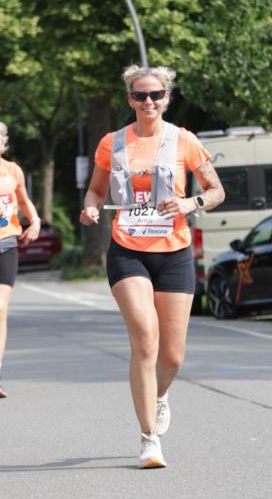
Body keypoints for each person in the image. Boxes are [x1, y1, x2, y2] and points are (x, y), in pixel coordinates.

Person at [80, 65, 225, 468]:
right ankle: (149, 439)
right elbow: (95, 191)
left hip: (174, 251)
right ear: (130, 99)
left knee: (172, 356)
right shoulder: (112, 143)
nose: (148, 101)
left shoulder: (184, 140)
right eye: (140, 95)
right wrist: (90, 209)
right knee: (145, 337)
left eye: (156, 94)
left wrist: (190, 203)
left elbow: (216, 190)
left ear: (167, 98)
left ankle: (159, 395)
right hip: (128, 250)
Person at [0, 119, 41, 398]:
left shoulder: (13, 170)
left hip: (6, 241)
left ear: (4, 144)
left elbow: (23, 200)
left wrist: (35, 220)